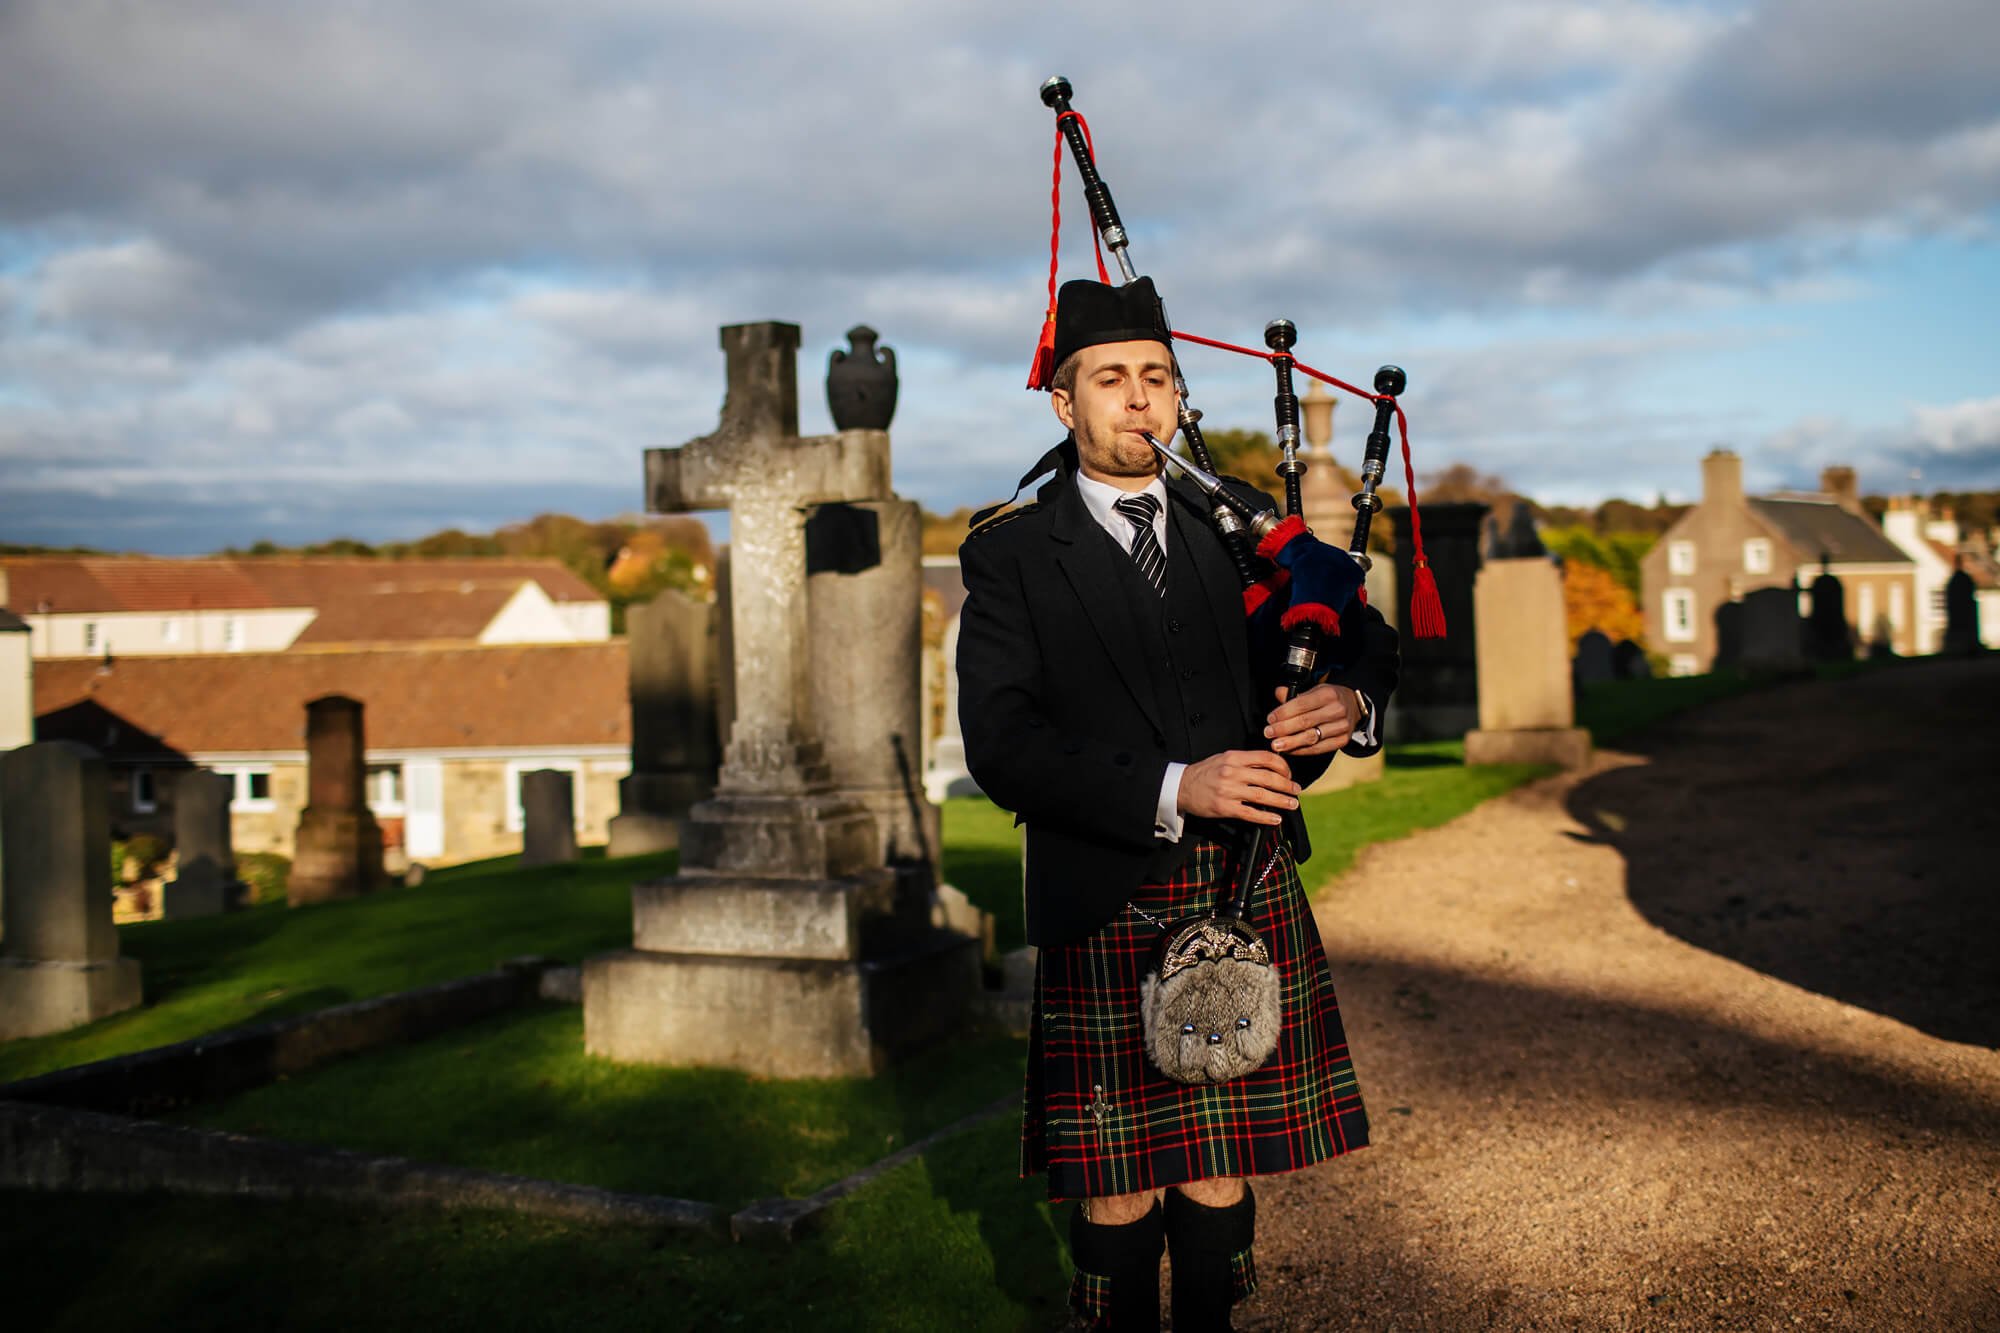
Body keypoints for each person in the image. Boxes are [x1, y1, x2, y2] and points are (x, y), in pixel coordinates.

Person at [957, 277, 1400, 1330]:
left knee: (1215, 1165)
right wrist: (1172, 786)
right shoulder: (1012, 552)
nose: (1139, 399)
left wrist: (1351, 702)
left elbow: (1359, 634)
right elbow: (1002, 746)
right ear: (1063, 404)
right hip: (1104, 890)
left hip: (1240, 879)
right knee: (1118, 1181)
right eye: (1109, 379)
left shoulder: (1239, 522)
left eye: (1156, 377)